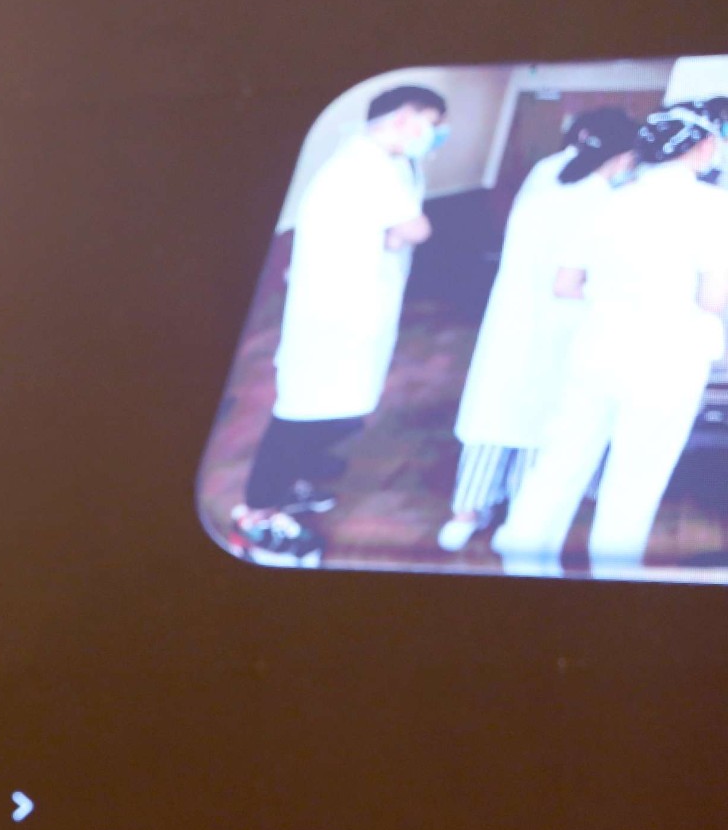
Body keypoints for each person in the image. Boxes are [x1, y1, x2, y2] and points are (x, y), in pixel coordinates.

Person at [492, 103, 728, 571]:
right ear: (704, 147)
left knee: (562, 459)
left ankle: (523, 562)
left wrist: (615, 296)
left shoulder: (608, 200)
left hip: (596, 348)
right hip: (668, 357)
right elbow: (712, 299)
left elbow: (565, 284)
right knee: (636, 475)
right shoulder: (713, 206)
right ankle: (611, 574)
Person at [230, 84, 447, 566]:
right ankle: (256, 517)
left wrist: (393, 235)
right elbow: (417, 229)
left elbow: (400, 231)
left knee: (337, 407)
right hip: (334, 314)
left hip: (353, 308)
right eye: (432, 123)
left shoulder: (382, 161)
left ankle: (289, 482)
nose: (437, 134)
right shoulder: (365, 165)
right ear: (403, 119)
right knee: (303, 413)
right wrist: (396, 235)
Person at [436, 108, 637, 552]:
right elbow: (583, 279)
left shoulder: (547, 175)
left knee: (495, 411)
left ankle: (464, 514)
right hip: (563, 326)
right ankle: (518, 517)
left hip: (512, 319)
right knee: (543, 419)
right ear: (625, 157)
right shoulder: (604, 202)